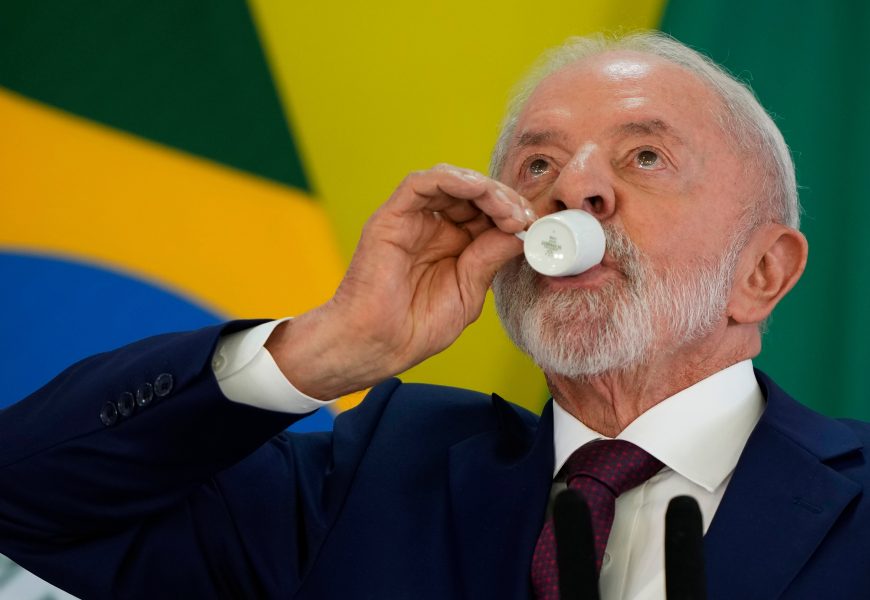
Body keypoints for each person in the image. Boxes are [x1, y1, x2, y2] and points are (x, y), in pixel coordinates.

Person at [1, 31, 869, 600]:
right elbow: (26, 497)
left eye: (645, 155)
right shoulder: (374, 479)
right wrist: (327, 349)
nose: (573, 189)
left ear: (762, 272)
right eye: (537, 165)